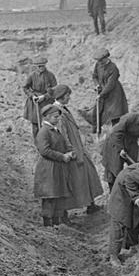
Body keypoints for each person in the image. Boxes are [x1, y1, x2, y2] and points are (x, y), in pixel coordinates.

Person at [52, 84, 104, 215]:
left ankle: (91, 205)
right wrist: (70, 150)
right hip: (71, 151)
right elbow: (62, 135)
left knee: (87, 174)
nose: (69, 97)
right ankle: (63, 212)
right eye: (67, 95)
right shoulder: (57, 112)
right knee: (73, 180)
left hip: (77, 148)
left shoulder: (63, 109)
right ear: (62, 97)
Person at [101, 105, 139, 190]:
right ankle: (114, 190)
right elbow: (116, 133)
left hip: (131, 144)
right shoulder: (130, 118)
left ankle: (132, 189)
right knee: (114, 168)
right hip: (115, 142)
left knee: (135, 167)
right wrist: (120, 149)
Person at [33, 105, 74, 227]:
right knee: (50, 196)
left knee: (58, 194)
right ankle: (48, 224)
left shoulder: (54, 130)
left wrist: (70, 152)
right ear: (48, 117)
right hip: (48, 169)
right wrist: (62, 156)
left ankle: (57, 223)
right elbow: (44, 151)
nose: (58, 119)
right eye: (55, 117)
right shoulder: (44, 132)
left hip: (57, 168)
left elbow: (61, 145)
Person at [80, 47, 128, 133]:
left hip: (114, 93)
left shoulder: (113, 68)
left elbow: (110, 84)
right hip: (102, 90)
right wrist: (97, 85)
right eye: (98, 60)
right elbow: (94, 76)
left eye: (101, 60)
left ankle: (116, 134)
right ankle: (96, 131)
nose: (99, 62)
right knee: (97, 111)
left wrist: (101, 95)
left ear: (106, 58)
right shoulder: (98, 65)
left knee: (114, 114)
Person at [23, 55, 58, 139]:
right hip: (35, 103)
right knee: (35, 125)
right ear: (36, 66)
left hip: (47, 102)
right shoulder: (32, 75)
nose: (41, 67)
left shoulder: (50, 75)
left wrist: (44, 96)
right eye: (39, 66)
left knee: (48, 123)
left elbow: (54, 89)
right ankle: (37, 142)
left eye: (42, 65)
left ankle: (47, 142)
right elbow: (25, 87)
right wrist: (32, 96)